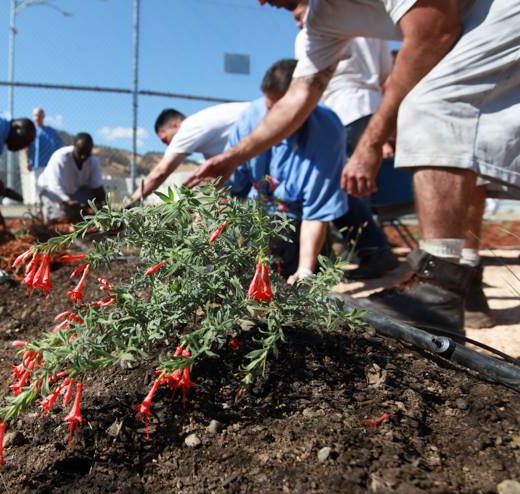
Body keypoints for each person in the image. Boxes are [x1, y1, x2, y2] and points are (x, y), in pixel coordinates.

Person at [188, 0, 520, 335]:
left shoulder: (323, 128)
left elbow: (434, 28)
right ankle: (460, 279)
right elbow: (297, 98)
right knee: (454, 133)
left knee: (431, 107)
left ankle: (438, 290)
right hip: (464, 27)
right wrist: (231, 158)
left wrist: (371, 144)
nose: (261, 2)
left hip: (498, 13)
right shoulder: (319, 23)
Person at [290, 1, 400, 280]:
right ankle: (370, 250)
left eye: (299, 15)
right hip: (371, 108)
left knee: (336, 186)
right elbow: (385, 71)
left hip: (339, 111)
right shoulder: (370, 24)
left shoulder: (314, 31)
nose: (299, 23)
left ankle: (373, 251)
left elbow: (307, 81)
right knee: (358, 184)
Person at [226, 59, 348, 281]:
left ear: (305, 102)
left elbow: (316, 210)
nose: (272, 117)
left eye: (280, 109)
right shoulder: (250, 119)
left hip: (293, 221)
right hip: (254, 212)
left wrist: (305, 270)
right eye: (269, 107)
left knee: (286, 275)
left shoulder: (327, 133)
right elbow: (231, 184)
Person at [129, 102, 250, 204]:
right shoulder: (205, 131)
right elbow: (219, 182)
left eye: (165, 139)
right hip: (254, 140)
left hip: (258, 134)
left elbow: (160, 172)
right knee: (237, 189)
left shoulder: (187, 128)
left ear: (175, 125)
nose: (167, 145)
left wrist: (130, 204)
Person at [37, 133, 106, 221]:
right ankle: (52, 212)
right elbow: (54, 187)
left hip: (74, 194)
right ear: (74, 146)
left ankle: (76, 213)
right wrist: (69, 202)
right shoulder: (60, 157)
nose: (83, 157)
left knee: (90, 195)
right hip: (52, 193)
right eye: (80, 152)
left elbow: (97, 187)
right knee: (58, 218)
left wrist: (105, 209)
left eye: (87, 153)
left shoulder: (93, 161)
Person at [27, 107, 64, 177]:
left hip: (50, 166)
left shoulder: (51, 132)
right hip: (35, 166)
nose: (37, 118)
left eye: (39, 115)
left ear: (43, 116)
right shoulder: (31, 131)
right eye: (35, 115)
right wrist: (28, 161)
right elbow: (27, 148)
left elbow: (59, 147)